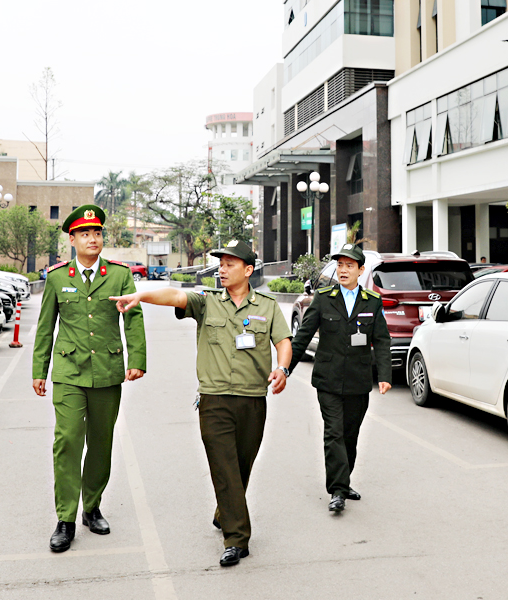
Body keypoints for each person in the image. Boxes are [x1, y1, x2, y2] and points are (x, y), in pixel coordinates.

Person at [110, 240, 291, 568]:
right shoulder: (207, 302)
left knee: (242, 465)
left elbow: (283, 341)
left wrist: (282, 368)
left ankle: (225, 512)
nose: (222, 268)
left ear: (248, 270)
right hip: (214, 399)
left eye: (230, 264)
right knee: (223, 465)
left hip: (253, 399)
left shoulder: (267, 305)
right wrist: (141, 296)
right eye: (220, 263)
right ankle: (237, 539)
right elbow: (175, 297)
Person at [32, 204, 146, 553]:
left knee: (100, 442)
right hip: (69, 372)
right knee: (67, 441)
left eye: (97, 233)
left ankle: (92, 507)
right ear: (72, 239)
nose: (93, 238)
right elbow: (45, 327)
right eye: (85, 233)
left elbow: (133, 317)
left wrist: (137, 359)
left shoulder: (120, 275)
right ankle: (65, 518)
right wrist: (40, 370)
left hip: (108, 372)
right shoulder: (56, 277)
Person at [288, 244, 391, 513]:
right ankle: (337, 490)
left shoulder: (372, 301)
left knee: (350, 435)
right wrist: (286, 368)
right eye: (340, 265)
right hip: (328, 379)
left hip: (358, 380)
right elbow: (303, 337)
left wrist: (384, 375)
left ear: (360, 270)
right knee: (334, 432)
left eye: (349, 265)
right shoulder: (323, 298)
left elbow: (381, 340)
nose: (343, 270)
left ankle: (343, 482)